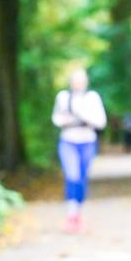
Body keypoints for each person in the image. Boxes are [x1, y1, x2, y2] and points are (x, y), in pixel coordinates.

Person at [51, 69, 107, 234]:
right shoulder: (63, 97)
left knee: (82, 179)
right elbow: (56, 118)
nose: (78, 83)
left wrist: (83, 116)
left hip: (87, 141)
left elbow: (101, 122)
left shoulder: (92, 98)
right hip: (68, 141)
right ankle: (71, 214)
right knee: (72, 176)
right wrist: (65, 120)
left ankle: (78, 213)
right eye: (75, 80)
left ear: (86, 81)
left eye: (81, 80)